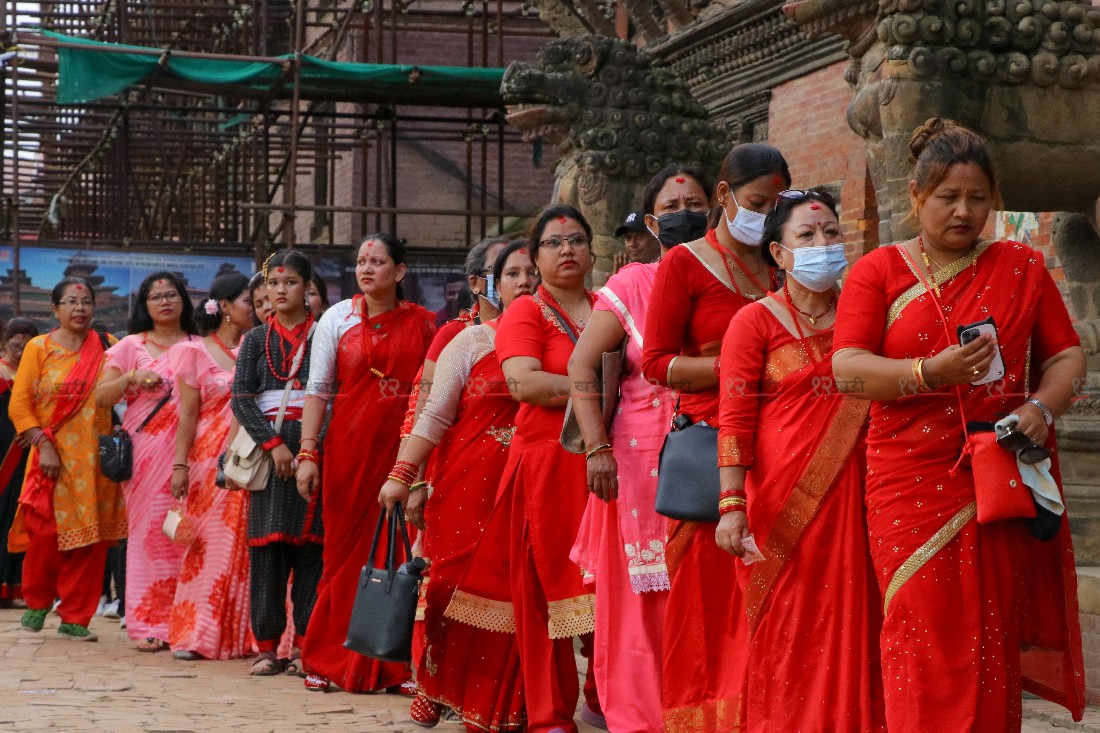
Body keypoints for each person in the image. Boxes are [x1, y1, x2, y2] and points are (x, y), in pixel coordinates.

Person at [832, 118, 1087, 729]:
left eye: (978, 198)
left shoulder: (1021, 265)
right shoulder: (880, 270)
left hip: (994, 474)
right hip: (906, 482)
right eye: (948, 197)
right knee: (919, 629)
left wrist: (1041, 407)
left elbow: (1068, 355)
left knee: (987, 633)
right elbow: (846, 370)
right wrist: (928, 371)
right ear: (917, 197)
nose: (964, 211)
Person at [714, 190, 885, 731]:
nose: (822, 245)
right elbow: (735, 416)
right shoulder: (753, 323)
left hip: (864, 496)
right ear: (778, 254)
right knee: (789, 629)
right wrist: (731, 503)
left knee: (862, 621)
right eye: (807, 236)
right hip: (782, 504)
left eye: (832, 233)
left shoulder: (868, 316)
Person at [640, 143, 790, 730]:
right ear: (725, 197)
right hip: (709, 445)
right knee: (708, 605)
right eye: (758, 202)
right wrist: (739, 365)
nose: (767, 213)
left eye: (778, 203)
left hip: (781, 445)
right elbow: (654, 362)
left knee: (772, 597)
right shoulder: (685, 264)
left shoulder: (782, 262)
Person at [567, 165, 712, 733]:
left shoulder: (741, 278)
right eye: (672, 205)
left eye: (695, 201)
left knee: (708, 587)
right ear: (653, 222)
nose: (685, 211)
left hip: (719, 450)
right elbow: (583, 365)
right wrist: (595, 449)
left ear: (716, 209)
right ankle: (640, 718)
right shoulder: (631, 284)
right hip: (636, 461)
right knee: (641, 603)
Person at [380, 239, 536, 730]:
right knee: (448, 587)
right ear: (487, 283)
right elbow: (430, 412)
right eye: (512, 274)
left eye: (532, 273)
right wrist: (406, 476)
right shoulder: (465, 340)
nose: (525, 282)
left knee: (513, 595)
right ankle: (437, 683)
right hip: (464, 480)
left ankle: (500, 705)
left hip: (525, 483)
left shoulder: (559, 339)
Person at [297, 233, 436, 693]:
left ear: (399, 272)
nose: (367, 269)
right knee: (342, 556)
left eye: (378, 262)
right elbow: (317, 390)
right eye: (361, 261)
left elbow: (435, 391)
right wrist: (307, 452)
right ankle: (324, 659)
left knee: (400, 552)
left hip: (406, 453)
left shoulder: (425, 324)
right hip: (348, 454)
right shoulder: (336, 318)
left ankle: (393, 665)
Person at [485, 204, 602, 733]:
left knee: (611, 585)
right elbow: (524, 384)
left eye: (576, 240)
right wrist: (595, 393)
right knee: (543, 598)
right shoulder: (527, 312)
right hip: (545, 470)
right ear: (535, 260)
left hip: (605, 465)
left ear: (593, 251)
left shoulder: (608, 307)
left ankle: (607, 696)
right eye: (554, 243)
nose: (567, 249)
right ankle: (551, 715)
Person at [8, 278, 127, 640]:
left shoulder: (110, 347)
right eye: (72, 302)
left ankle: (76, 616)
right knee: (45, 535)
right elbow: (20, 403)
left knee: (90, 542)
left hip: (95, 461)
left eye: (86, 302)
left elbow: (123, 392)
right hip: (51, 458)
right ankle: (38, 601)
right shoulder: (38, 347)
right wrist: (43, 444)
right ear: (55, 310)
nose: (80, 308)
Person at [231, 250, 323, 676]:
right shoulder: (254, 340)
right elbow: (242, 400)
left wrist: (309, 450)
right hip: (269, 463)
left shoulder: (326, 335)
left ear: (308, 288)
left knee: (313, 553)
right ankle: (267, 647)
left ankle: (306, 647)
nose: (280, 291)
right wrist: (273, 444)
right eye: (274, 284)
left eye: (290, 283)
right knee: (266, 554)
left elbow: (332, 399)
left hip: (317, 458)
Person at [96, 272, 197, 652]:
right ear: (145, 305)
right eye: (156, 297)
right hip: (146, 453)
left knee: (188, 536)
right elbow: (100, 398)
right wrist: (130, 378)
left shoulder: (199, 345)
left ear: (184, 300)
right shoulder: (129, 346)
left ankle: (187, 621)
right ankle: (149, 623)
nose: (165, 302)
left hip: (194, 453)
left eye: (172, 294)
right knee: (150, 537)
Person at [166, 273, 255, 661]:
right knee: (207, 546)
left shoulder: (259, 347)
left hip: (251, 456)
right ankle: (197, 632)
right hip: (208, 460)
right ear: (225, 308)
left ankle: (248, 634)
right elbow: (187, 416)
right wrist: (180, 465)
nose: (256, 307)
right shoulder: (196, 352)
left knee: (247, 544)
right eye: (249, 301)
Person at [0, 318, 39, 607]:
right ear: (4, 344)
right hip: (3, 456)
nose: (20, 352)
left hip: (29, 455)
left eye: (27, 348)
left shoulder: (39, 377)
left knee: (21, 518)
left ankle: (17, 588)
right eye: (15, 347)